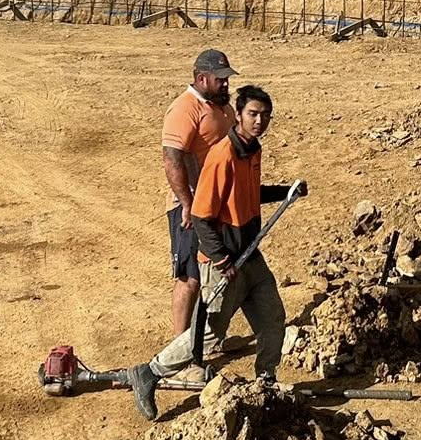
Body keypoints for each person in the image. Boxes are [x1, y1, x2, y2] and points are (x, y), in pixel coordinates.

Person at [126, 85, 304, 420]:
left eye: (265, 115)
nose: (260, 120)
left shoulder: (252, 151)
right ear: (238, 114)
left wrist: (286, 192)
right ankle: (149, 372)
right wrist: (221, 259)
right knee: (207, 335)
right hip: (224, 261)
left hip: (250, 255)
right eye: (253, 113)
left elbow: (250, 193)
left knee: (272, 319)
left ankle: (266, 381)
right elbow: (201, 216)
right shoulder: (222, 157)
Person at [162, 49, 237, 333]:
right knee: (189, 277)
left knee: (215, 270)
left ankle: (204, 337)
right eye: (220, 79)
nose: (226, 84)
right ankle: (178, 347)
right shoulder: (184, 108)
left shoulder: (222, 107)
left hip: (218, 205)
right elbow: (172, 159)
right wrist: (187, 204)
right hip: (192, 209)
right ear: (201, 78)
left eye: (227, 78)